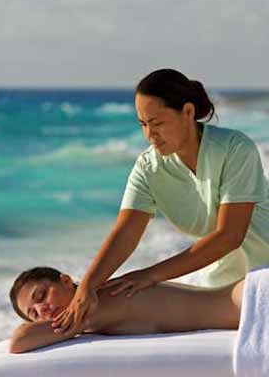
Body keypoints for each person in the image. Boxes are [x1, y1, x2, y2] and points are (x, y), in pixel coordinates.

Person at [51, 68, 269, 336]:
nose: (149, 135)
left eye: (157, 123)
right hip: (218, 288)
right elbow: (126, 232)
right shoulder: (148, 167)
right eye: (143, 124)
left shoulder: (236, 148)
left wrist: (150, 275)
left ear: (188, 112)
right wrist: (87, 287)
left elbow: (229, 236)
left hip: (264, 277)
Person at [9, 266, 243, 354]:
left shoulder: (99, 301)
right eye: (34, 314)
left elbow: (19, 340)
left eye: (41, 295)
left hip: (249, 302)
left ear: (66, 281)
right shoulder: (98, 307)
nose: (43, 309)